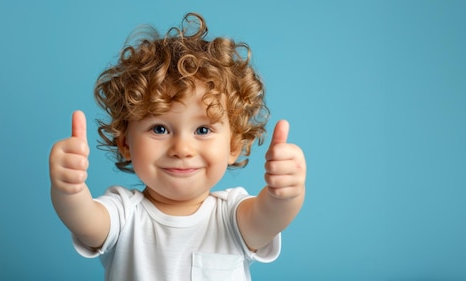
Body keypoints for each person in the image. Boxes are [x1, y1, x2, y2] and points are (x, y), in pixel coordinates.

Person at [49, 12, 306, 281]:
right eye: (159, 129)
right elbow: (85, 221)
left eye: (203, 130)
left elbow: (271, 215)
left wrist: (285, 194)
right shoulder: (124, 213)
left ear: (233, 145)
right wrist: (68, 191)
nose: (182, 148)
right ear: (125, 143)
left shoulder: (233, 216)